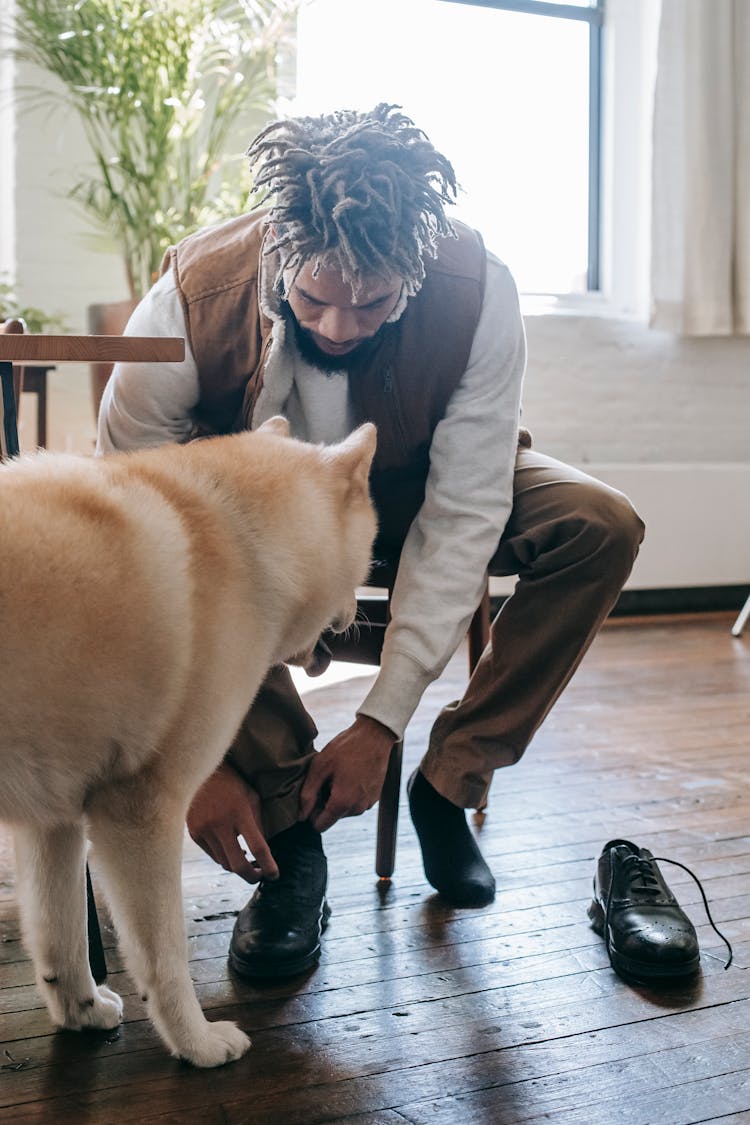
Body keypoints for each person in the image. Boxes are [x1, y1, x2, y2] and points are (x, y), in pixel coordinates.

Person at [97, 103, 644, 979]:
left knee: (600, 525)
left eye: (376, 302)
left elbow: (464, 511)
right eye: (314, 298)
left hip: (424, 479)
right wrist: (183, 762)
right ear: (279, 245)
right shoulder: (193, 297)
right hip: (250, 506)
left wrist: (382, 724)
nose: (342, 326)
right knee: (189, 546)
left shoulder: (477, 289)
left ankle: (449, 782)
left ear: (414, 270)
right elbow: (126, 531)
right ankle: (290, 839)